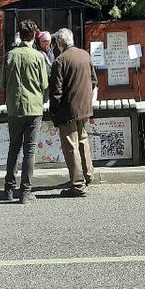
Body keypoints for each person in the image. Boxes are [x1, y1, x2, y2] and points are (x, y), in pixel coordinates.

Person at [0, 18, 49, 204]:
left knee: (14, 147)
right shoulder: (38, 57)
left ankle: (9, 188)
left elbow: (2, 83)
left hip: (14, 108)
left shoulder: (9, 56)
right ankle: (26, 192)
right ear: (34, 35)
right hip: (34, 107)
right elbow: (44, 83)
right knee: (30, 150)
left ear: (20, 35)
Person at [49, 27, 98, 196]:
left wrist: (53, 111)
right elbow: (93, 80)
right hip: (85, 108)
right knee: (83, 141)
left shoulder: (60, 61)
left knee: (71, 146)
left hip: (68, 110)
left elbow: (56, 92)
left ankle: (77, 184)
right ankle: (88, 174)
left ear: (60, 43)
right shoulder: (85, 55)